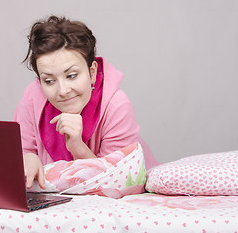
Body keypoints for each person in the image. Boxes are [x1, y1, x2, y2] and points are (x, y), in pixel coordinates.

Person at [14, 15, 158, 190]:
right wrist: (25, 158)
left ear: (92, 73)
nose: (63, 90)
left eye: (72, 75)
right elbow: (17, 152)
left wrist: (77, 147)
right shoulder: (32, 97)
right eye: (49, 81)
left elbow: (117, 183)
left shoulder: (117, 106)